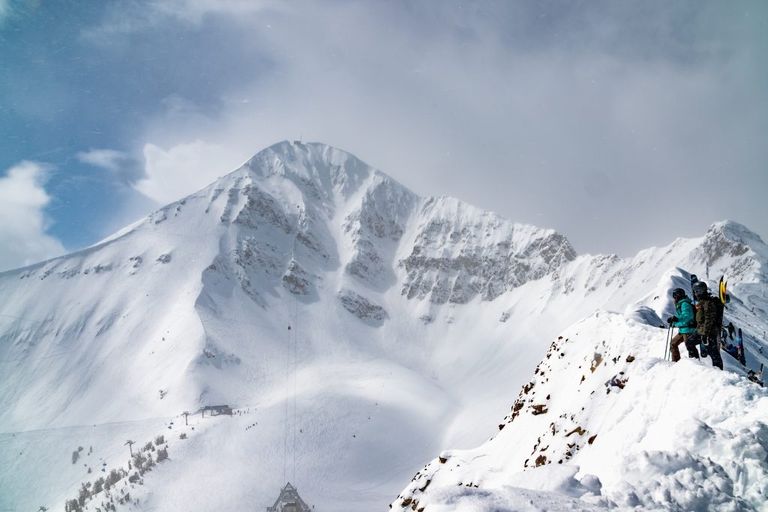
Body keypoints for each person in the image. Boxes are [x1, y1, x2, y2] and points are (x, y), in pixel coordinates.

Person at [692, 281, 724, 370]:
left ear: (701, 291)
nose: (695, 293)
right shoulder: (702, 302)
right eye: (695, 291)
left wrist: (705, 334)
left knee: (713, 352)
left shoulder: (708, 303)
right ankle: (694, 363)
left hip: (709, 332)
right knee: (690, 342)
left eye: (697, 291)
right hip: (702, 331)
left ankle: (719, 371)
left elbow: (709, 320)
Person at [667, 288, 699, 362]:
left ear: (679, 295)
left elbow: (687, 316)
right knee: (673, 344)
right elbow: (683, 317)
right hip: (683, 329)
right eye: (674, 295)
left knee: (690, 347)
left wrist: (676, 319)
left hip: (688, 329)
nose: (674, 297)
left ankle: (696, 364)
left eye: (675, 295)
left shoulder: (685, 304)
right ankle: (675, 363)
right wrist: (674, 321)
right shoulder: (681, 304)